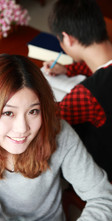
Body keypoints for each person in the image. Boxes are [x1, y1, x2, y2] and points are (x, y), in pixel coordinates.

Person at [0, 54, 112, 221]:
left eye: (33, 111)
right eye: (8, 113)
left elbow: (104, 198)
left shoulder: (59, 133)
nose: (22, 129)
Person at [43, 0, 112, 181]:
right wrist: (68, 69)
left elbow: (46, 118)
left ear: (67, 38)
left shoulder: (87, 94)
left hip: (103, 169)